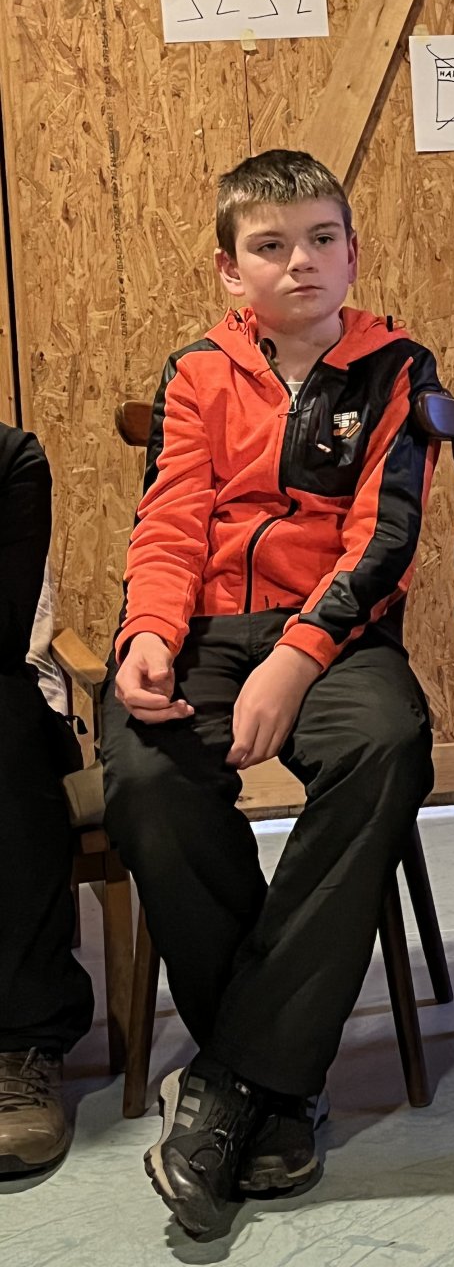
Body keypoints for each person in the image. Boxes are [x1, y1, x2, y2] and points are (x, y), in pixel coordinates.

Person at [101, 150, 439, 1238]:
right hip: (204, 630)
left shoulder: (397, 368)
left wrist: (296, 659)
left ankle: (234, 1079)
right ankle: (279, 1087)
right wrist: (149, 634)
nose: (301, 262)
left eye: (322, 239)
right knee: (146, 774)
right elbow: (169, 520)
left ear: (353, 251)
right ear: (229, 269)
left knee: (387, 745)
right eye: (271, 245)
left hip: (335, 634)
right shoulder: (196, 371)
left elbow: (384, 538)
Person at [0, 428, 94, 1174]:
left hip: (5, 698)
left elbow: (3, 631)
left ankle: (21, 1043)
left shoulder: (12, 463)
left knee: (4, 726)